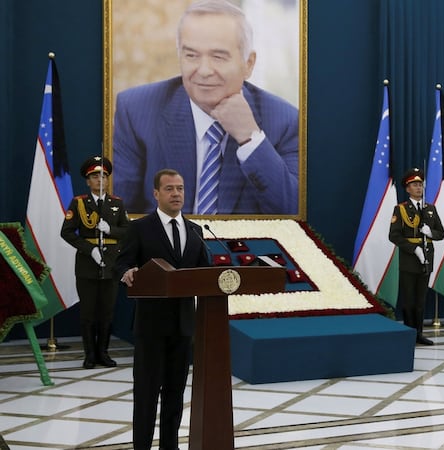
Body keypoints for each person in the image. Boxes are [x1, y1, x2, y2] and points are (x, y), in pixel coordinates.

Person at [113, 0, 299, 215]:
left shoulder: (285, 122)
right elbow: (117, 214)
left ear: (248, 64)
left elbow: (293, 213)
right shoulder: (136, 111)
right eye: (191, 55)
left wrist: (250, 138)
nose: (203, 71)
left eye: (218, 57)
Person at [117, 169, 209, 450]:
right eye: (169, 189)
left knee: (175, 393)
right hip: (151, 326)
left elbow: (204, 272)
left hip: (183, 326)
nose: (176, 194)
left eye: (180, 188)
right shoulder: (140, 228)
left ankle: (170, 446)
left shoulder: (195, 231)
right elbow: (122, 262)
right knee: (146, 394)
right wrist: (126, 271)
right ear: (155, 193)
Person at [61, 156, 130, 369]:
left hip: (111, 265)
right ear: (88, 180)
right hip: (87, 265)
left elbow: (128, 232)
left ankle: (103, 353)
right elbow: (66, 232)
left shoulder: (117, 203)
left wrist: (110, 230)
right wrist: (89, 249)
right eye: (95, 176)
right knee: (88, 313)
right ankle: (90, 355)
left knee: (107, 312)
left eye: (103, 176)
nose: (100, 180)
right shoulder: (79, 203)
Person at [389, 168, 444, 346]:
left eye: (420, 184)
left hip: (426, 259)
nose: (418, 187)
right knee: (409, 300)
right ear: (407, 189)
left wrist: (430, 232)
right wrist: (414, 249)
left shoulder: (430, 209)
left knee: (421, 300)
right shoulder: (401, 209)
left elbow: (441, 233)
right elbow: (394, 236)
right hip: (409, 259)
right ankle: (409, 333)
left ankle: (419, 334)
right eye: (414, 185)